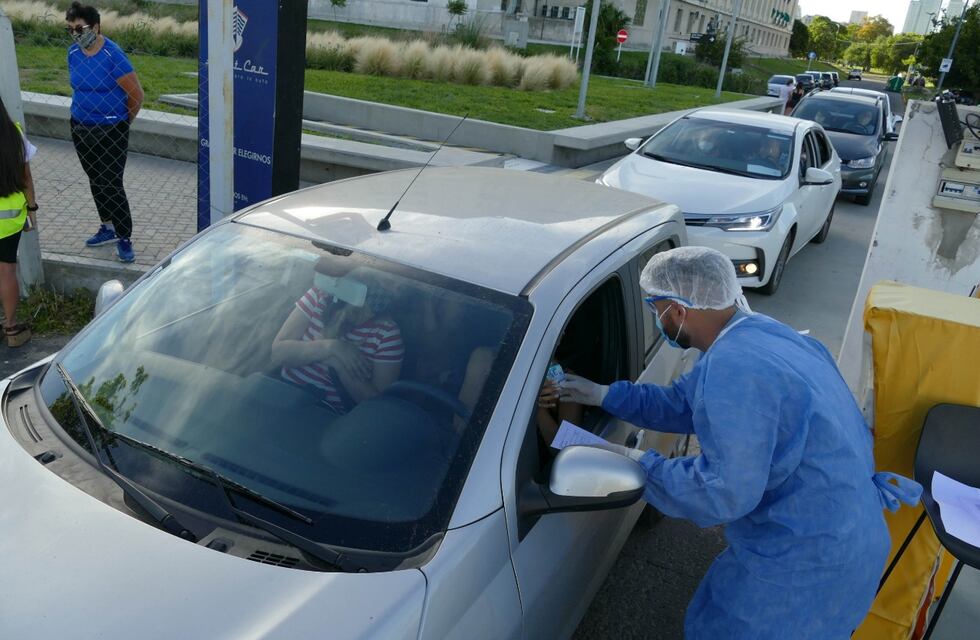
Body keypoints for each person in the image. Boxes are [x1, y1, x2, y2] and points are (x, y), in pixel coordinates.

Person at [560, 247, 921, 639]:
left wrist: (639, 465)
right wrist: (601, 394)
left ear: (677, 311)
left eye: (656, 309)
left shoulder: (735, 368)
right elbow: (684, 404)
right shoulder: (758, 334)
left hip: (806, 564)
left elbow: (722, 492)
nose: (657, 319)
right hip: (849, 533)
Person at [65, 2, 143, 263]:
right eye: (70, 29)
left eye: (80, 28)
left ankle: (124, 236)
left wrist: (122, 123)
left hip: (111, 129)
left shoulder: (113, 56)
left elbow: (136, 95)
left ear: (96, 27)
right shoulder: (72, 54)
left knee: (111, 183)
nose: (75, 34)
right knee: (95, 179)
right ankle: (107, 227)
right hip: (80, 126)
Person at [271, 268, 403, 415]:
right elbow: (278, 354)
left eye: (375, 307)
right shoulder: (319, 295)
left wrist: (337, 363)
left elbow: (378, 409)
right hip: (283, 395)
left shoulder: (387, 332)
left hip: (328, 414)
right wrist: (331, 347)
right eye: (385, 281)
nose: (367, 313)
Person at [0, 97, 37, 347]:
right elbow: (26, 178)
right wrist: (32, 209)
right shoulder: (14, 133)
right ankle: (12, 328)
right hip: (10, 218)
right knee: (6, 270)